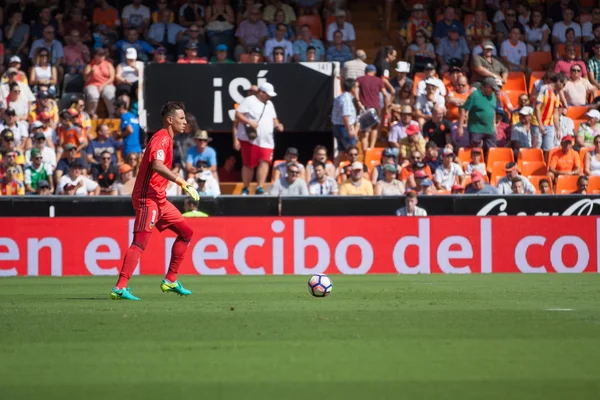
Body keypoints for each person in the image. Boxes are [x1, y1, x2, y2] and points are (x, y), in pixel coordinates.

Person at [112, 101, 199, 301]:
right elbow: (158, 166)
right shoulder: (161, 139)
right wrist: (182, 182)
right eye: (181, 118)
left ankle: (170, 280)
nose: (185, 122)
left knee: (186, 233)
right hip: (147, 199)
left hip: (160, 200)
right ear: (170, 120)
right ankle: (119, 287)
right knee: (140, 242)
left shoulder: (168, 139)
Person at [234, 82, 283, 195]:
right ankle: (245, 188)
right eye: (268, 94)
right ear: (261, 93)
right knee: (249, 164)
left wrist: (278, 125)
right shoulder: (249, 100)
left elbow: (274, 119)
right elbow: (238, 114)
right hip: (251, 139)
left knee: (265, 162)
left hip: (267, 140)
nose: (270, 97)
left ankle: (259, 187)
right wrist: (249, 122)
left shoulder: (270, 104)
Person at [459, 77, 499, 153]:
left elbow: (492, 110)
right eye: (492, 89)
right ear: (487, 87)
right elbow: (464, 109)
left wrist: (494, 125)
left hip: (490, 129)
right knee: (476, 152)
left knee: (492, 151)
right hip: (476, 129)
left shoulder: (493, 96)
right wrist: (460, 127)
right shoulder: (474, 95)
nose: (494, 91)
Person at [535, 73, 565, 160]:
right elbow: (537, 107)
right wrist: (540, 124)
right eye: (563, 84)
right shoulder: (544, 89)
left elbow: (555, 113)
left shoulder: (557, 94)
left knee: (548, 149)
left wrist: (558, 129)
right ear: (558, 82)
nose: (564, 86)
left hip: (549, 124)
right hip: (537, 123)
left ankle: (545, 168)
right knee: (537, 148)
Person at [332, 79, 358, 165]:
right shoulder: (346, 99)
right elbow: (345, 116)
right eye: (357, 87)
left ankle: (334, 171)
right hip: (344, 128)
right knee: (353, 152)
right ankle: (353, 170)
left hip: (339, 127)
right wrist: (350, 130)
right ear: (353, 88)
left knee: (341, 152)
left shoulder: (342, 97)